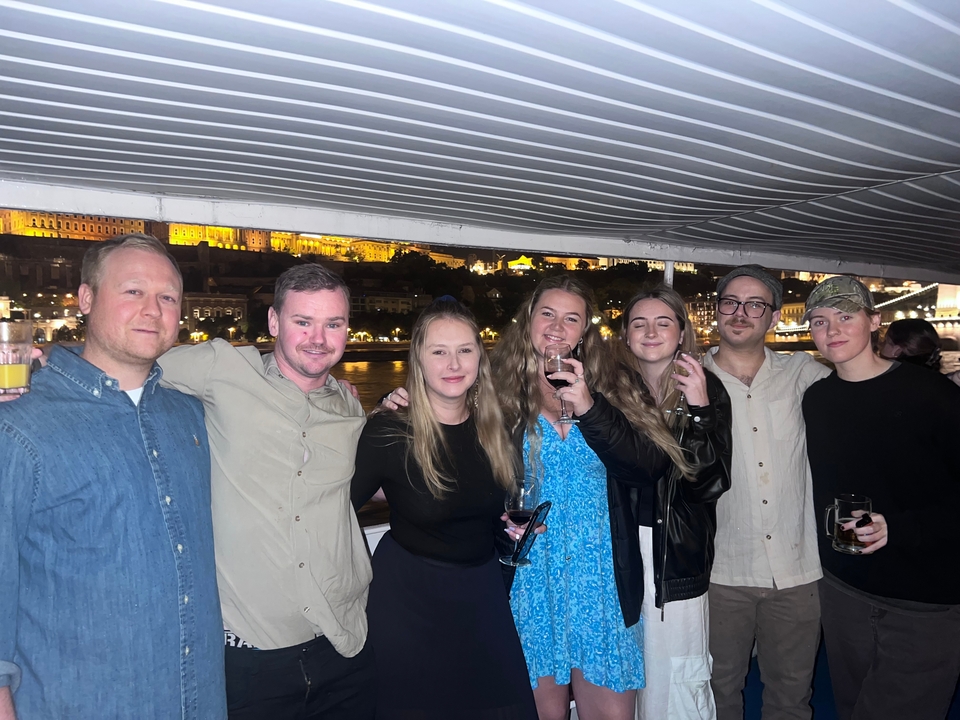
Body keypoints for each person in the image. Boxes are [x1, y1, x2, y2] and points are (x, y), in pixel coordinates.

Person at [0, 234, 226, 719]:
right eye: (132, 291)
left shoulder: (191, 418)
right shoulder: (18, 422)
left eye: (168, 297)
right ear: (86, 298)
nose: (153, 310)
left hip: (196, 698)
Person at [157, 263, 376, 719]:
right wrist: (33, 371)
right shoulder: (222, 367)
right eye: (303, 322)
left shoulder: (350, 406)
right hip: (251, 654)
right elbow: (123, 364)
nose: (318, 337)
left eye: (332, 323)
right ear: (274, 322)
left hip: (344, 643)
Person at [492, 275, 691, 720]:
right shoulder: (495, 392)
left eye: (571, 318)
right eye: (547, 314)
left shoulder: (617, 384)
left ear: (585, 330)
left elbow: (649, 467)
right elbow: (469, 473)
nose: (557, 327)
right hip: (532, 576)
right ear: (528, 320)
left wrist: (589, 406)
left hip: (601, 573)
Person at [351, 298, 537, 719]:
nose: (453, 363)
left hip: (482, 594)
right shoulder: (390, 430)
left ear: (480, 358)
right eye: (439, 351)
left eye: (465, 350)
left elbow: (482, 508)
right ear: (418, 359)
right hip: (410, 603)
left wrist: (507, 528)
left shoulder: (497, 426)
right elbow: (336, 508)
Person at [801, 276, 960, 720]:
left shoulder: (932, 395)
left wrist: (902, 527)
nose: (831, 329)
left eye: (845, 316)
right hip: (842, 590)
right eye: (819, 320)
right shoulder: (816, 400)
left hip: (923, 598)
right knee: (852, 708)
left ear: (874, 321)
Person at [702, 265, 828, 720]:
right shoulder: (686, 380)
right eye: (730, 302)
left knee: (791, 699)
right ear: (716, 311)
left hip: (796, 570)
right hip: (719, 571)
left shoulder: (805, 373)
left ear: (773, 317)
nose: (741, 313)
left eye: (755, 304)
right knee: (717, 695)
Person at [619, 286, 732, 720]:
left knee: (677, 681)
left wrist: (701, 409)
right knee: (630, 672)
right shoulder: (613, 391)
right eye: (639, 323)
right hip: (621, 551)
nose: (650, 332)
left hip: (674, 556)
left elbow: (710, 483)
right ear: (626, 335)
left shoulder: (706, 389)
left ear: (682, 332)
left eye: (663, 322)